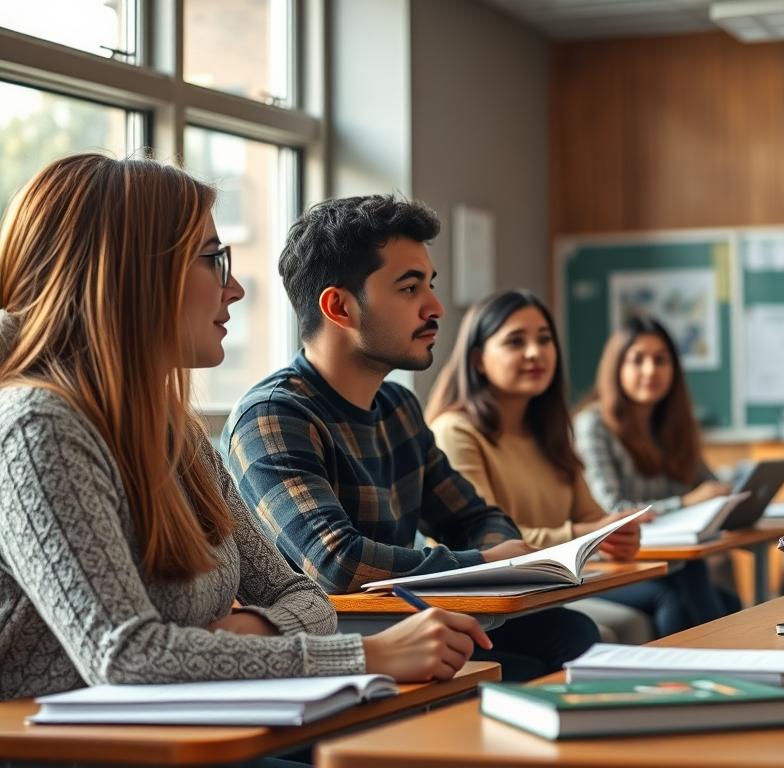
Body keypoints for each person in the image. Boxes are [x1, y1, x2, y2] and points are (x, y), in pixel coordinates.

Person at [0, 155, 489, 700]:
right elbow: (129, 656)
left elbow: (302, 596)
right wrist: (366, 654)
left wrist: (251, 632)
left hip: (200, 733)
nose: (234, 290)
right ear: (130, 275)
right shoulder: (38, 428)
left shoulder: (177, 436)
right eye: (213, 260)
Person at [223, 196, 597, 681]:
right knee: (521, 667)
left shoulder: (398, 407)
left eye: (431, 285)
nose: (436, 307)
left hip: (408, 620)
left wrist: (495, 558)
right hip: (336, 649)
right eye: (409, 288)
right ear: (339, 306)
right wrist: (484, 561)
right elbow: (337, 564)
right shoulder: (272, 416)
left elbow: (476, 517)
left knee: (571, 636)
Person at [424, 292, 720, 637]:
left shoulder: (549, 432)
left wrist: (613, 534)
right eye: (515, 342)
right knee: (660, 600)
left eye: (545, 339)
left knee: (697, 583)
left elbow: (592, 517)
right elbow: (489, 543)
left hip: (552, 581)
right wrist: (589, 534)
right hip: (491, 596)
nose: (535, 352)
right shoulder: (456, 431)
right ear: (477, 360)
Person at [571, 315, 737, 633]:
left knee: (723, 597)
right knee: (682, 587)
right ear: (616, 368)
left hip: (660, 554)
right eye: (637, 360)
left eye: (660, 360)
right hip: (609, 559)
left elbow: (710, 485)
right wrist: (687, 502)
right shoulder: (593, 424)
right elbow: (614, 511)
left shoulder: (672, 424)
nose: (650, 370)